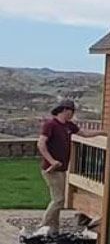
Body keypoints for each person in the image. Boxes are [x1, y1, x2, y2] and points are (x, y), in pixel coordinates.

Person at [35, 99, 79, 235]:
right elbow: (41, 144)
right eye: (72, 111)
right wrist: (52, 161)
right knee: (58, 200)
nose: (73, 114)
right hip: (51, 170)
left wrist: (104, 133)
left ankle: (54, 231)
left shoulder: (69, 126)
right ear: (65, 110)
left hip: (62, 169)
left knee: (58, 200)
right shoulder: (50, 125)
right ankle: (42, 226)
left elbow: (84, 133)